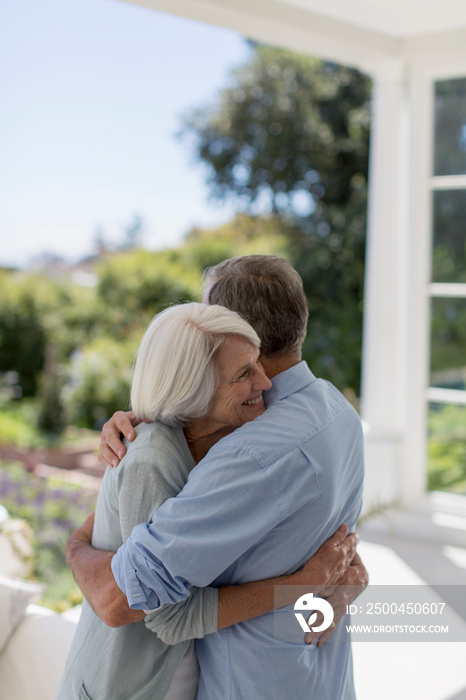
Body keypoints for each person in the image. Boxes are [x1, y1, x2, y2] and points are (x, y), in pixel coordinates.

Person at [67, 255, 367, 699]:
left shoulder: (249, 453)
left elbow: (120, 597)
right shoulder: (337, 410)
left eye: (211, 316)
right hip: (321, 675)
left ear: (240, 333)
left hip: (253, 683)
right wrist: (150, 429)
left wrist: (74, 550)